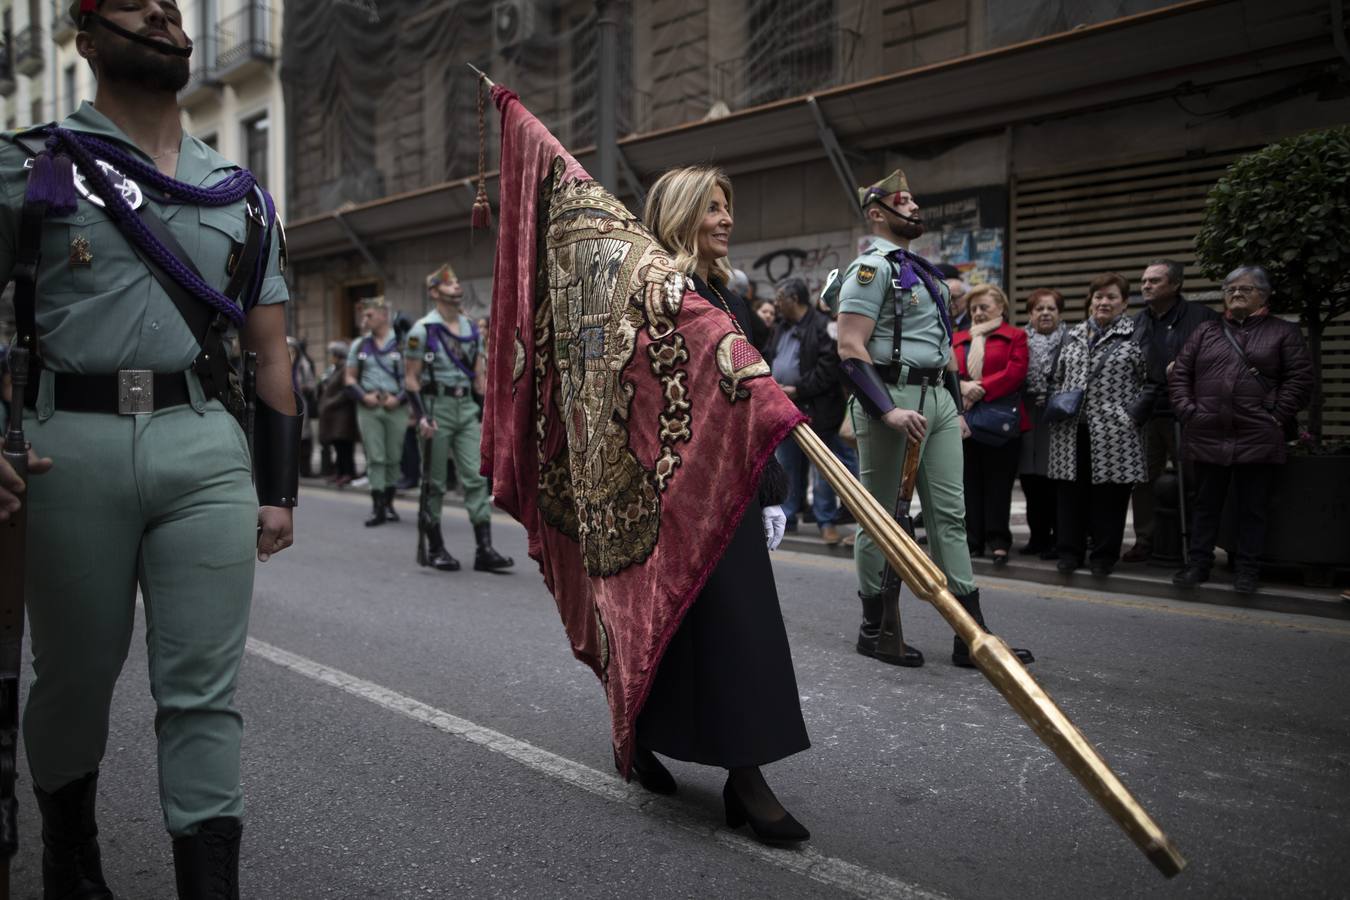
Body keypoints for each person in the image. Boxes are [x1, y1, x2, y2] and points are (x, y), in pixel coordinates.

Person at [0, 0, 299, 892]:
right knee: (75, 680)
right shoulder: (31, 164)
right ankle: (70, 852)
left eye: (171, 6)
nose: (164, 15)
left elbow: (271, 350)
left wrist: (277, 488)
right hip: (66, 448)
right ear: (86, 40)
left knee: (203, 691)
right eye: (136, 4)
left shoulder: (236, 192)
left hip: (204, 447)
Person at [634, 165, 810, 845]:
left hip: (730, 490)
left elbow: (748, 403)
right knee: (688, 624)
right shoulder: (661, 296)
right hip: (676, 494)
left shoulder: (725, 295)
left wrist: (767, 487)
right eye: (711, 207)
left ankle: (741, 773)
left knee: (730, 626)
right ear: (681, 216)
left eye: (726, 206)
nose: (726, 218)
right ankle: (656, 739)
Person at [833, 170, 1032, 668]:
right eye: (904, 202)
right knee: (881, 518)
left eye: (914, 201)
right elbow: (851, 347)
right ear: (877, 213)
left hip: (939, 399)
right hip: (892, 396)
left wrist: (955, 409)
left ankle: (972, 635)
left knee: (949, 516)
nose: (915, 208)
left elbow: (942, 349)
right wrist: (887, 409)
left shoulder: (925, 272)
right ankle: (875, 628)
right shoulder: (870, 269)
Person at [1169, 266, 1312, 594]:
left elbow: (1300, 380)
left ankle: (1247, 570)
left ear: (1264, 295)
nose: (1236, 294)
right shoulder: (1206, 331)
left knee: (1253, 508)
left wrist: (1275, 416)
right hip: (1207, 430)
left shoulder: (1284, 332)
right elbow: (1180, 375)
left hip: (1258, 433)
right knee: (1205, 505)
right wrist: (1190, 412)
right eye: (1230, 289)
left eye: (1245, 289)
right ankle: (1198, 564)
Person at [403, 262, 513, 572]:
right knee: (435, 482)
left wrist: (491, 412)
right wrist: (421, 417)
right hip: (435, 408)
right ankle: (436, 547)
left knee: (476, 479)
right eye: (448, 284)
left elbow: (479, 378)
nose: (456, 287)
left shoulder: (471, 329)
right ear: (434, 291)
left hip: (465, 408)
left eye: (456, 283)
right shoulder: (421, 331)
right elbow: (411, 379)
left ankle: (484, 549)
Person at [1048, 273, 1147, 576]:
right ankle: (1069, 552)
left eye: (1111, 297)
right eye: (1099, 297)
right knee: (1069, 494)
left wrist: (1131, 415)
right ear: (1090, 301)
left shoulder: (1135, 335)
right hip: (1070, 428)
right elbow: (1056, 376)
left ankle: (1104, 556)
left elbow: (1150, 381)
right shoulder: (1073, 335)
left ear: (1124, 303)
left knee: (1110, 496)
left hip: (1115, 431)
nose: (1104, 302)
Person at [1124, 259, 1218, 562]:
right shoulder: (1136, 322)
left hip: (1187, 412)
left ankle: (1194, 542)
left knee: (1192, 479)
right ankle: (1145, 539)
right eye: (1144, 281)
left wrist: (1188, 368)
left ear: (1176, 284)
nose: (1146, 286)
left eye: (1154, 281)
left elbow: (1219, 361)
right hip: (1148, 411)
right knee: (1143, 479)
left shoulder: (1202, 318)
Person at [763, 276, 851, 546]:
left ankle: (825, 520)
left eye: (780, 298)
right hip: (785, 408)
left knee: (822, 469)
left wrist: (798, 389)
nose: (776, 303)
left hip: (818, 410)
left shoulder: (822, 326)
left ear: (794, 299)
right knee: (787, 463)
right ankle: (788, 515)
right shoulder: (780, 328)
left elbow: (828, 369)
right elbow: (769, 356)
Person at [952, 284, 1029, 566]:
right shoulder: (958, 339)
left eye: (984, 307)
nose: (978, 312)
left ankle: (998, 540)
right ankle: (973, 540)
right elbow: (947, 372)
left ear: (1001, 308)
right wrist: (963, 387)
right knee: (969, 483)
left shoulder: (1016, 336)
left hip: (1001, 420)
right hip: (966, 419)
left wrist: (980, 388)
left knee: (999, 484)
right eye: (974, 308)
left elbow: (1016, 372)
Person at [345, 295, 406, 526]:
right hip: (369, 407)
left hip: (395, 406)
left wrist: (398, 399)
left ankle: (389, 504)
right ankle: (377, 507)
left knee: (394, 457)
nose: (365, 319)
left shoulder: (401, 343)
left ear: (383, 315)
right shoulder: (360, 345)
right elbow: (349, 378)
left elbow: (413, 376)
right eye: (364, 315)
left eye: (369, 315)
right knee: (375, 457)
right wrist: (363, 396)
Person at [1018, 288, 1068, 559]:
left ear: (1059, 313)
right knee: (1031, 482)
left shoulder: (1072, 340)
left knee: (1056, 484)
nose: (1045, 313)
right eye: (1039, 309)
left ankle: (1060, 539)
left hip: (1058, 419)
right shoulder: (1020, 340)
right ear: (1030, 314)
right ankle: (1037, 538)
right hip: (1028, 416)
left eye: (1051, 308)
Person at [319, 340, 358, 485]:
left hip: (343, 415)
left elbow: (346, 391)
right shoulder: (334, 369)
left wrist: (329, 402)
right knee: (338, 445)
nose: (331, 357)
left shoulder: (345, 368)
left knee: (344, 446)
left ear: (338, 355)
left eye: (332, 354)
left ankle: (348, 473)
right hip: (334, 416)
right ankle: (340, 472)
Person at [288, 336, 318, 477]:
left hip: (300, 403)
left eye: (292, 350)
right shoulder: (279, 364)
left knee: (304, 437)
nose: (290, 353)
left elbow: (311, 383)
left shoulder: (302, 365)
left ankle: (305, 469)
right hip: (284, 403)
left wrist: (307, 387)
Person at [937, 263, 970, 333]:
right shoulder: (940, 323)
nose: (949, 303)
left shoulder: (975, 321)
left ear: (966, 296)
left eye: (953, 298)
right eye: (944, 298)